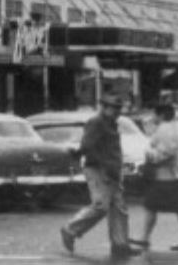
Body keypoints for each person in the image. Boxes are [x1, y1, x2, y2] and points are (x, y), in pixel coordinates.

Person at [60, 93, 140, 260]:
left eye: (119, 108)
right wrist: (102, 165)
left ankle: (120, 245)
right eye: (114, 108)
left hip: (112, 170)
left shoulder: (111, 123)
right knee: (101, 206)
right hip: (99, 169)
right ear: (104, 107)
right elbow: (88, 146)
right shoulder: (96, 122)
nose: (117, 111)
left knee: (119, 208)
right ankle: (70, 229)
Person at [132, 103, 178, 253]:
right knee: (151, 207)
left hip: (167, 177)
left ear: (161, 115)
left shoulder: (165, 130)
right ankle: (145, 238)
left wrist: (150, 154)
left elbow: (166, 153)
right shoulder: (165, 129)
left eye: (154, 114)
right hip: (164, 177)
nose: (152, 116)